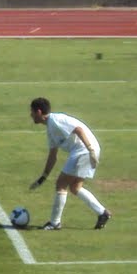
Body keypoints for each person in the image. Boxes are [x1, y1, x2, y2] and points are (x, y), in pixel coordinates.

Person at [28, 97, 111, 230]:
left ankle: (55, 223)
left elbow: (79, 130)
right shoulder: (50, 129)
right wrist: (43, 177)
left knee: (61, 184)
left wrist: (90, 150)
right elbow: (53, 156)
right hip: (85, 150)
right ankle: (102, 213)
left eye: (32, 112)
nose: (30, 115)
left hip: (84, 150)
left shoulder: (56, 121)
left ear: (38, 112)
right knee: (75, 187)